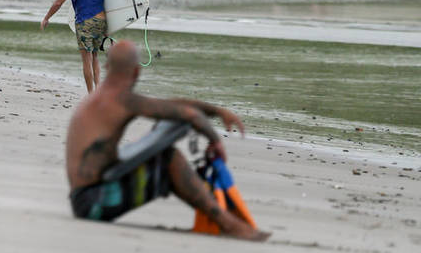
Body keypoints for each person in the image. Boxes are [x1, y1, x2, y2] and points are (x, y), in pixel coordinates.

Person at [65, 40, 270, 241]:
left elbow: (167, 105)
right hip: (94, 205)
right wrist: (215, 141)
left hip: (84, 200)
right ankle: (228, 224)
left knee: (163, 157)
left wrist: (216, 111)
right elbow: (189, 114)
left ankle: (223, 219)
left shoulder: (102, 98)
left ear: (107, 67)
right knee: (169, 159)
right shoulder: (122, 100)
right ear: (136, 71)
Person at [41, 0, 112, 92]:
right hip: (101, 21)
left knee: (86, 59)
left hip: (84, 22)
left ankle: (91, 96)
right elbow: (111, 1)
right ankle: (98, 91)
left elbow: (58, 3)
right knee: (95, 56)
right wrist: (108, 28)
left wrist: (47, 17)